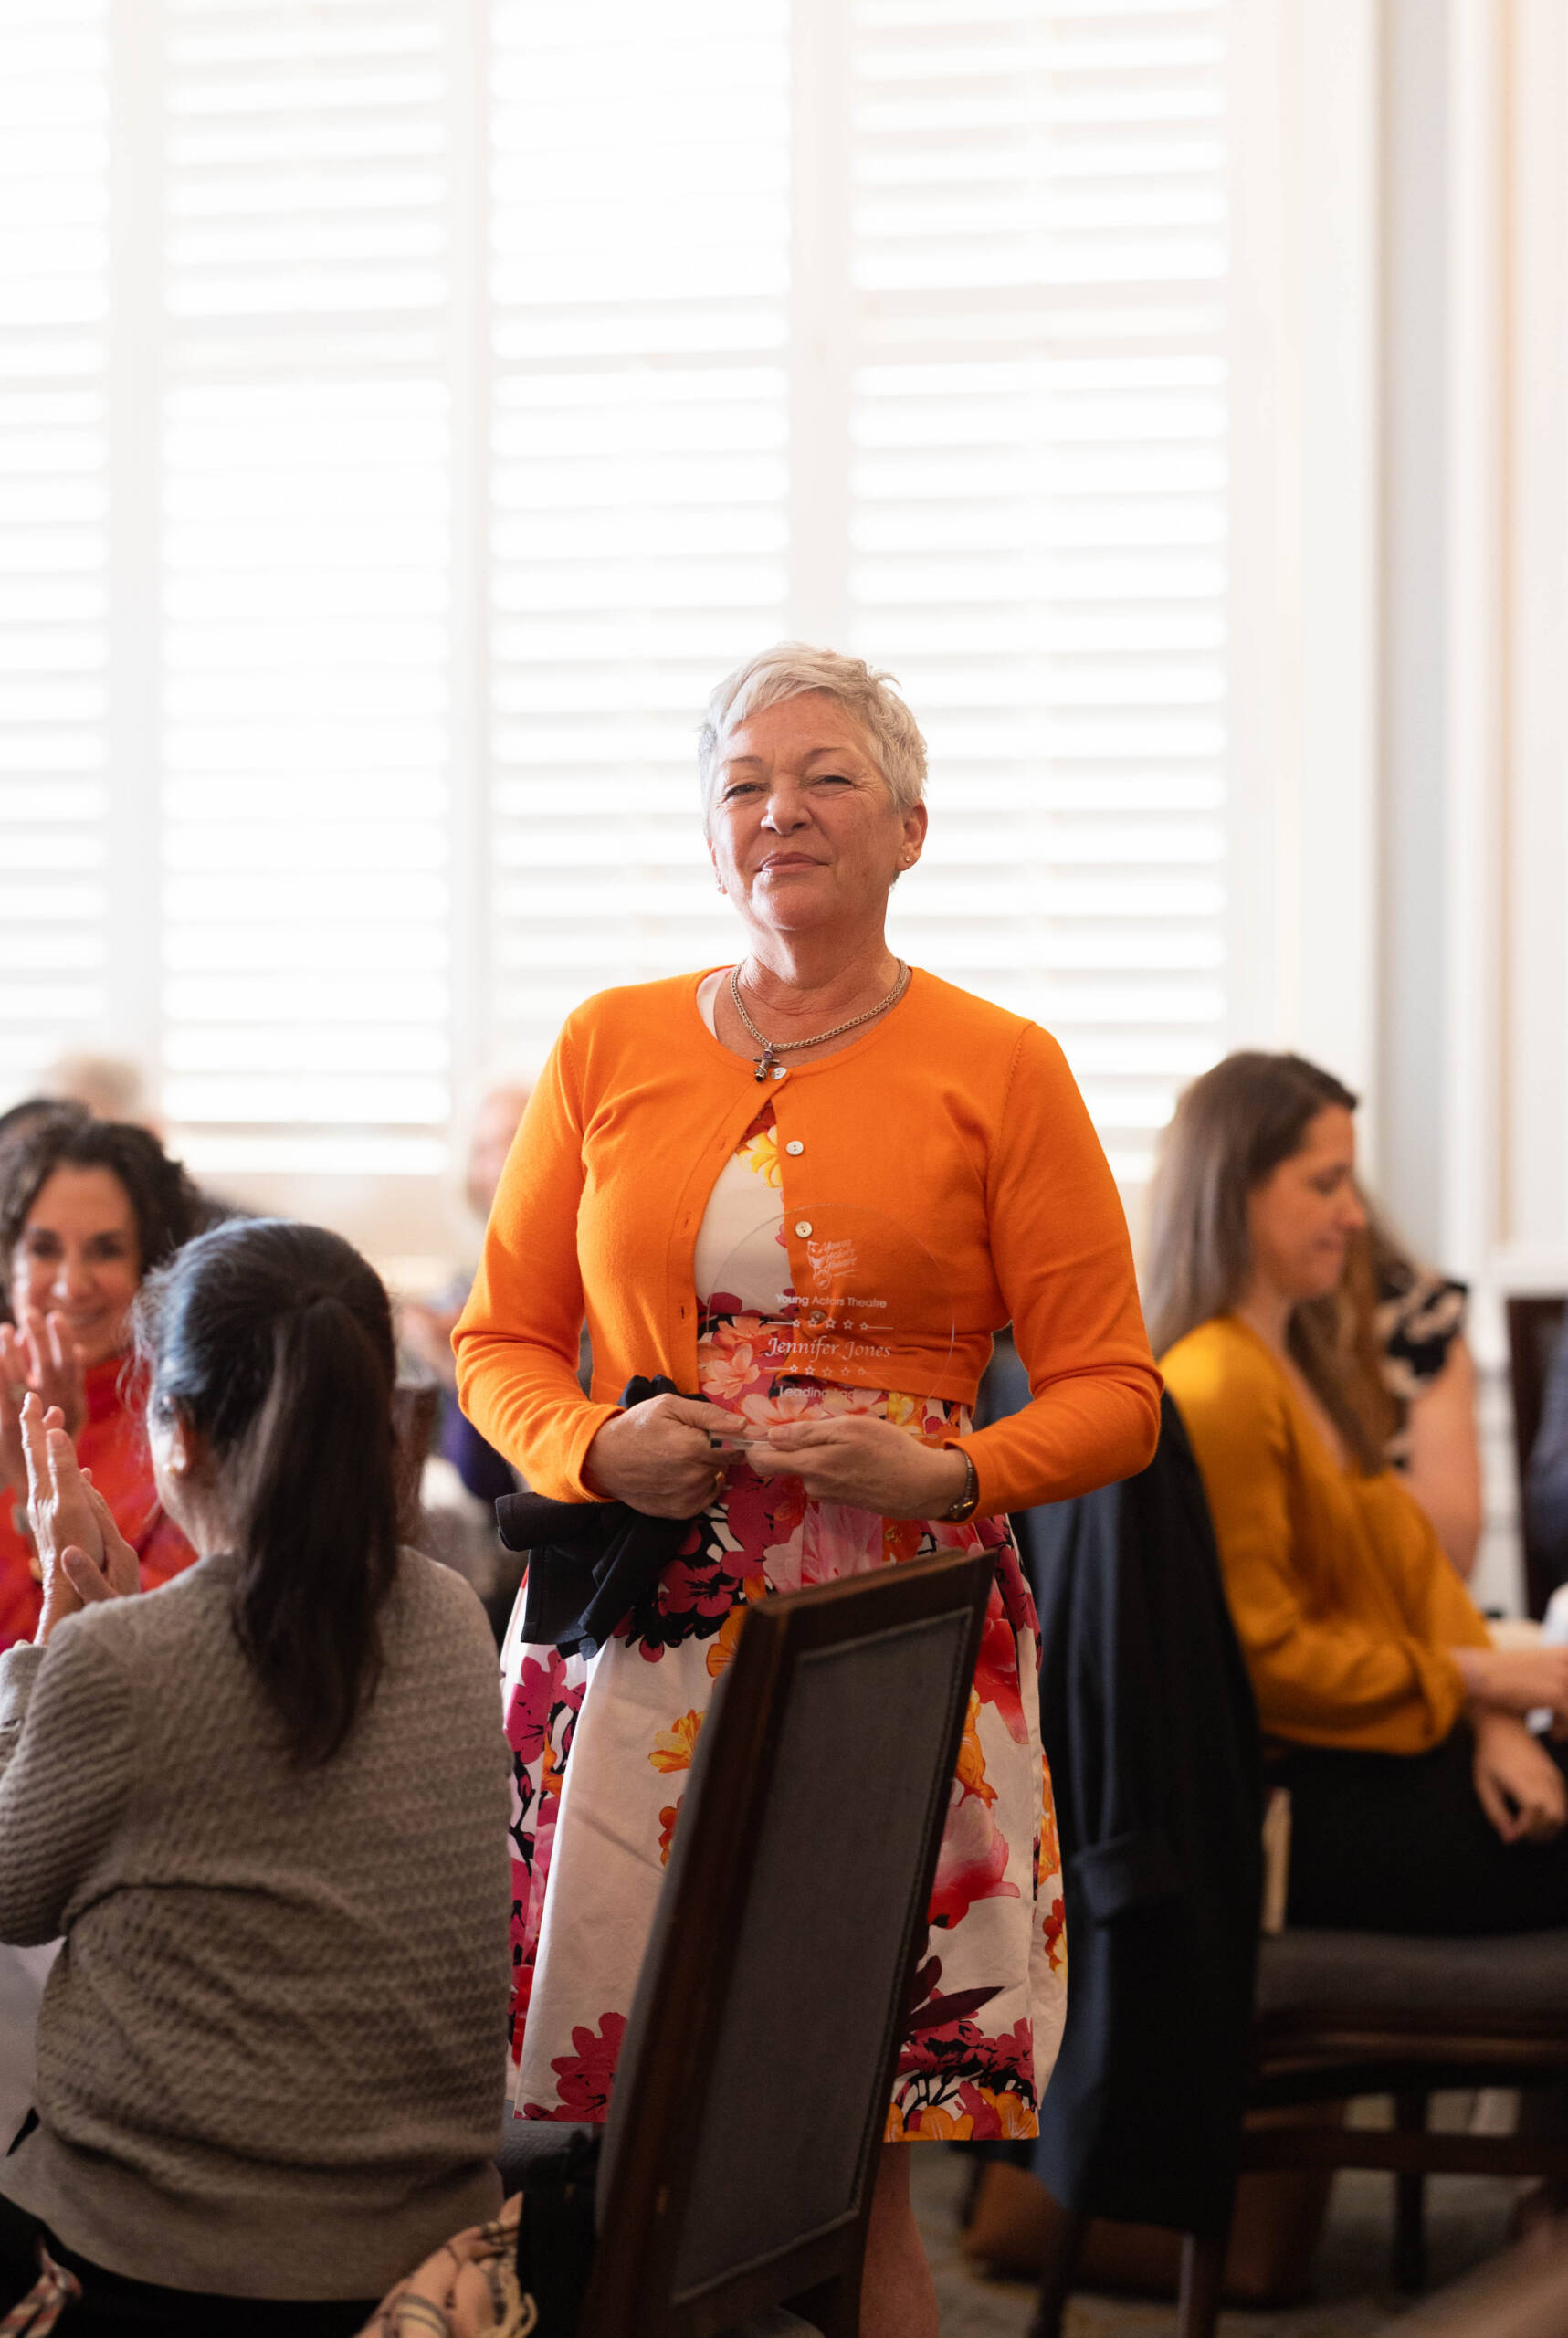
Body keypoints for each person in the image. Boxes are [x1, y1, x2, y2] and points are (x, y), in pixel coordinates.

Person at [453, 644, 1162, 2338]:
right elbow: (498, 1344)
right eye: (742, 785)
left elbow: (1117, 1395)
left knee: (851, 2151)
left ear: (909, 827)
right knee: (629, 2135)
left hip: (886, 1633)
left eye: (826, 776)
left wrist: (952, 1466)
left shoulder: (1002, 1066)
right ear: (711, 842)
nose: (780, 810)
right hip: (640, 1620)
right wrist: (590, 1444)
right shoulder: (605, 1043)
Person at [0, 1218, 512, 2334]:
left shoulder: (122, 1661)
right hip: (433, 2273)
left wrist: (55, 1633)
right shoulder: (449, 1617)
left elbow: (9, 1896)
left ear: (179, 1434)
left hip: (160, 2272)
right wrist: (113, 1638)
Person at [1147, 1051, 1568, 1935]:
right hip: (1312, 1806)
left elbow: (1417, 1578)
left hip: (1390, 1752)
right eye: (1324, 1183)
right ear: (1236, 1191)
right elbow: (1265, 1661)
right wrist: (1482, 1674)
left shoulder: (1299, 1364)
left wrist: (1492, 1713)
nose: (1354, 1214)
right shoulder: (1218, 1387)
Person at [0, 1112, 203, 1648]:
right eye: (44, 1249)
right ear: (9, 1262)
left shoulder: (190, 1431)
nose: (71, 1285)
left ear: (151, 1268)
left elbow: (130, 1661)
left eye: (106, 1250)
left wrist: (36, 1490)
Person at [399, 1079, 532, 1508]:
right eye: (483, 1148)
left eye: (514, 1137)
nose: (498, 1163)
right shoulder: (459, 1290)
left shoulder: (589, 1287)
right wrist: (443, 1359)